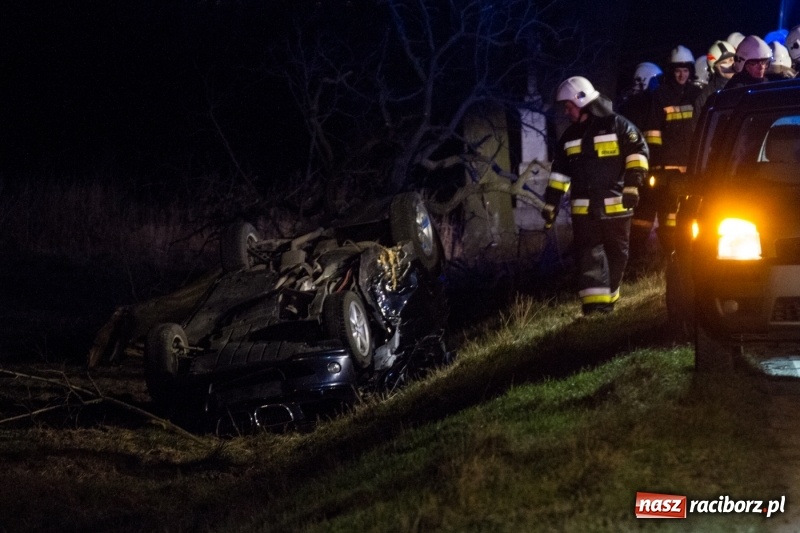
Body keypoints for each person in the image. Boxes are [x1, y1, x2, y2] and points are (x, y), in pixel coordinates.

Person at [542, 76, 649, 316]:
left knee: (617, 256)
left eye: (568, 106)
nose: (566, 111)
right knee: (589, 256)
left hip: (617, 208)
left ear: (581, 101)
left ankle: (607, 304)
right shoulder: (569, 137)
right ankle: (594, 309)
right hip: (585, 212)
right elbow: (559, 174)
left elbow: (638, 153)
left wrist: (633, 185)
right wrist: (551, 203)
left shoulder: (618, 126)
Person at [645, 45, 703, 258]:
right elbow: (653, 133)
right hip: (667, 166)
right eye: (678, 70)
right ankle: (669, 252)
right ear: (671, 72)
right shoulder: (660, 95)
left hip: (691, 163)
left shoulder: (696, 94)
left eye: (685, 70)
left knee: (691, 210)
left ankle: (689, 251)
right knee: (668, 212)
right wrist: (655, 165)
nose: (682, 75)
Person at [616, 62, 662, 268]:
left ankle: (634, 256)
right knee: (643, 214)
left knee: (640, 216)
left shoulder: (627, 105)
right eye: (656, 81)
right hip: (641, 169)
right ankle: (636, 258)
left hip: (633, 169)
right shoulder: (641, 106)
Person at [696, 40, 737, 110]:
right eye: (723, 62)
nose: (729, 65)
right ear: (714, 68)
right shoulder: (706, 96)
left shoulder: (746, 84)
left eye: (731, 60)